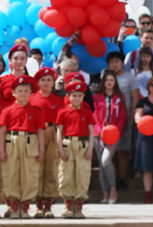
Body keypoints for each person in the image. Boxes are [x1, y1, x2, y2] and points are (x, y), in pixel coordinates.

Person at [0, 75, 44, 219]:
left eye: (26, 91)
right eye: (20, 91)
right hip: (11, 142)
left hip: (30, 142)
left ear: (31, 93)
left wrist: (41, 150)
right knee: (11, 173)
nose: (23, 94)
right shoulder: (7, 110)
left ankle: (25, 207)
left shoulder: (36, 111)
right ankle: (14, 206)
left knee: (29, 174)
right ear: (13, 93)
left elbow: (40, 132)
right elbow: (2, 130)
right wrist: (1, 149)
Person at [56, 79, 93, 219]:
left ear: (83, 97)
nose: (76, 98)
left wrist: (90, 149)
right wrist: (60, 149)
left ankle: (79, 205)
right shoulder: (63, 112)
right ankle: (68, 205)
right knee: (66, 174)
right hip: (68, 144)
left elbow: (91, 131)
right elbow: (59, 132)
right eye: (73, 95)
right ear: (68, 96)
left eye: (79, 95)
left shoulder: (87, 111)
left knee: (82, 174)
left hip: (83, 145)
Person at [29, 67, 63, 218]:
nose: (46, 83)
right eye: (43, 80)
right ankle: (38, 204)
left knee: (51, 167)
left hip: (53, 132)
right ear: (37, 82)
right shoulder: (32, 98)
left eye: (49, 80)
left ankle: (48, 204)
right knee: (37, 168)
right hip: (37, 134)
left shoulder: (58, 100)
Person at [106, 51, 139, 192]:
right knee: (110, 153)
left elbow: (135, 98)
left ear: (121, 63)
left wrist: (131, 117)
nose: (114, 64)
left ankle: (122, 180)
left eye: (117, 62)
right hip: (109, 122)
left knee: (122, 152)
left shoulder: (129, 78)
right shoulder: (105, 77)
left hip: (124, 121)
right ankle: (112, 178)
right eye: (112, 62)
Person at [92, 69, 127, 204]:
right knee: (101, 164)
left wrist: (115, 131)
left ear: (115, 82)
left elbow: (122, 117)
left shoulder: (120, 97)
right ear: (103, 82)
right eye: (107, 80)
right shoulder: (97, 97)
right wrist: (99, 130)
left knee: (106, 160)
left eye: (112, 80)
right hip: (99, 135)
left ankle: (113, 189)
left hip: (113, 135)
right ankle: (105, 193)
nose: (109, 82)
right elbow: (94, 115)